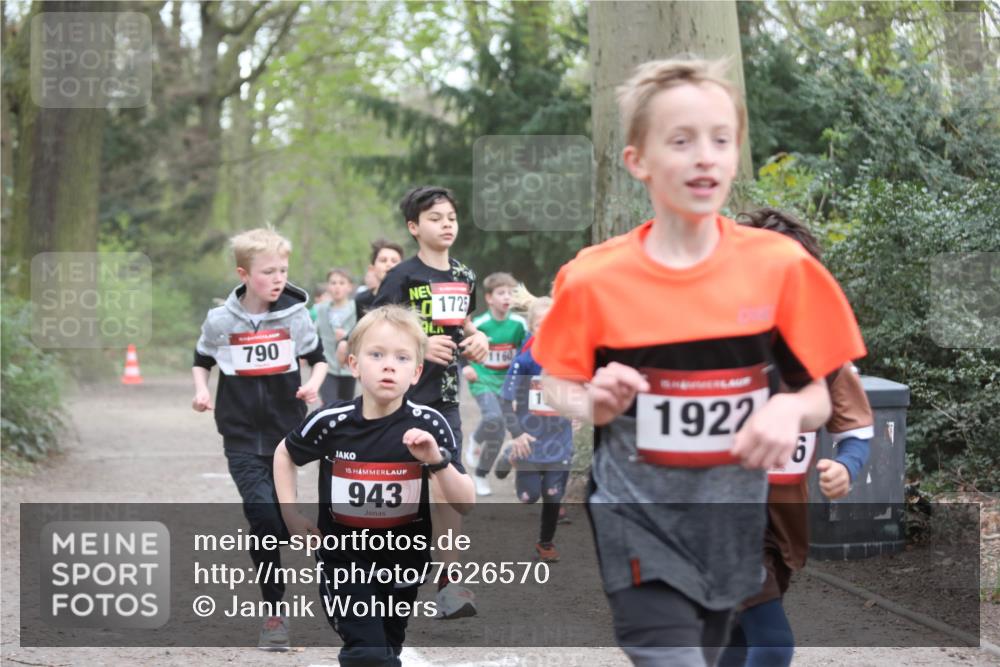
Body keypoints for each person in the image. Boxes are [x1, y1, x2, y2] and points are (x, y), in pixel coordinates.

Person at [532, 57, 867, 666]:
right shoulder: (594, 278)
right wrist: (591, 401)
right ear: (638, 160)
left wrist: (787, 410)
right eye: (681, 141)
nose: (704, 157)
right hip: (637, 517)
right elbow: (556, 382)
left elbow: (821, 396)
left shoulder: (782, 269)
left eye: (720, 140)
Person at [274, 305, 474, 667]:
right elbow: (285, 453)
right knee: (368, 653)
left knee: (386, 648)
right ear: (354, 365)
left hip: (404, 564)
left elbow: (465, 502)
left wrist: (437, 460)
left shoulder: (430, 425)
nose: (388, 366)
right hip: (343, 563)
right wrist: (290, 514)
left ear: (416, 372)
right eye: (377, 355)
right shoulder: (332, 422)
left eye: (401, 357)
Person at [717, 208, 874, 667]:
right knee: (773, 643)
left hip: (783, 525)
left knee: (735, 642)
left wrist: (846, 466)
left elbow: (856, 430)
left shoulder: (826, 352)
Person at [191, 227, 327, 651]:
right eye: (268, 271)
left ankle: (293, 531)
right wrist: (200, 390)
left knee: (276, 522)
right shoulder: (220, 320)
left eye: (283, 270)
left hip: (287, 436)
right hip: (241, 435)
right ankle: (274, 613)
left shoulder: (296, 316)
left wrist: (312, 384)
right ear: (244, 274)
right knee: (266, 519)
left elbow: (318, 359)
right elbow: (201, 358)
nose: (278, 278)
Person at [372, 185, 489, 619]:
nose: (446, 225)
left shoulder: (464, 274)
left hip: (445, 398)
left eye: (451, 218)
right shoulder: (401, 276)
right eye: (435, 218)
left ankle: (449, 581)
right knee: (401, 490)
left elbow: (465, 323)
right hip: (400, 399)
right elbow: (376, 328)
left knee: (447, 481)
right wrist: (420, 343)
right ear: (414, 227)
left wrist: (478, 338)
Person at [493, 293, 572, 562]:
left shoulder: (570, 360)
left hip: (559, 439)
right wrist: (517, 434)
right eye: (541, 325)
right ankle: (511, 454)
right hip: (529, 438)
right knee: (529, 497)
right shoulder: (524, 362)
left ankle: (545, 543)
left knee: (553, 493)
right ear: (532, 328)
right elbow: (505, 401)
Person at [462, 271, 528, 496]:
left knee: (498, 433)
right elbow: (462, 343)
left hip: (506, 384)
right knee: (493, 418)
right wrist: (466, 366)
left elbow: (525, 352)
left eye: (510, 293)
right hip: (482, 380)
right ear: (489, 298)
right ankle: (475, 439)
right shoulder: (480, 324)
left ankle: (481, 474)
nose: (507, 297)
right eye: (501, 293)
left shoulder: (519, 324)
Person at [315, 268, 357, 403]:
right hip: (327, 366)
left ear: (349, 287)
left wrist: (347, 336)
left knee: (345, 405)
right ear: (328, 286)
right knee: (330, 405)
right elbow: (313, 333)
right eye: (333, 283)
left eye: (341, 283)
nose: (337, 287)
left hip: (348, 367)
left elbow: (364, 334)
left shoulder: (356, 308)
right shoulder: (320, 309)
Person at [354, 239, 404, 322]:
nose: (389, 264)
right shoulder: (361, 299)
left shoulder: (408, 296)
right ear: (372, 268)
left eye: (394, 261)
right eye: (383, 260)